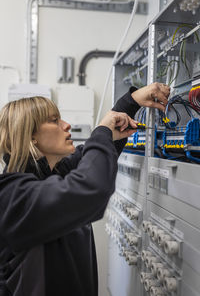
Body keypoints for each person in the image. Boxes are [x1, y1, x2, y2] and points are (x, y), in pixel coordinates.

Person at [0, 82, 169, 296]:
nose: (66, 125)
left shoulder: (52, 174)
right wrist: (102, 132)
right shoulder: (11, 196)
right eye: (54, 121)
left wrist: (132, 101)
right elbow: (91, 188)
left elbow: (93, 157)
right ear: (30, 136)